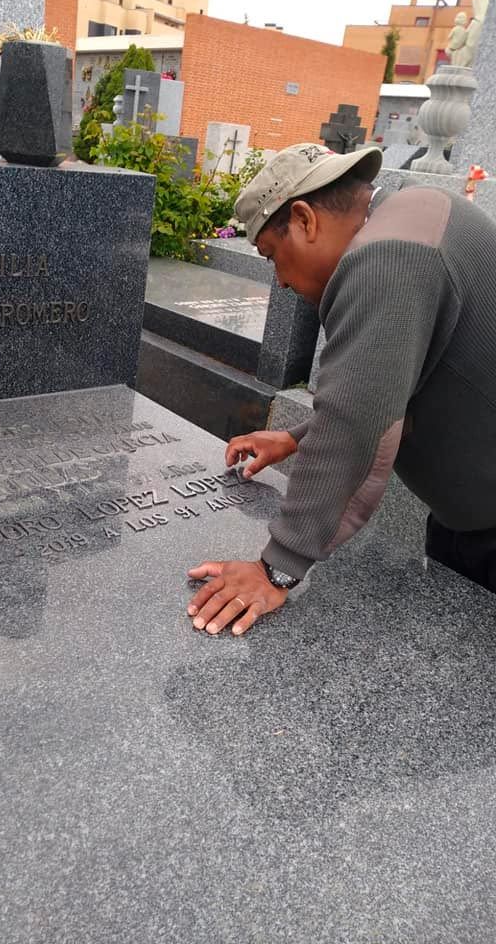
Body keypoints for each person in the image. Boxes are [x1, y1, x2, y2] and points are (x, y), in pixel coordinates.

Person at [186, 142, 496, 636]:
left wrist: (274, 568)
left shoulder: (387, 258)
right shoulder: (411, 215)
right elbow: (388, 390)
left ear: (305, 220)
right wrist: (295, 438)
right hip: (468, 519)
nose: (281, 283)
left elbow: (360, 427)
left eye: (272, 256)